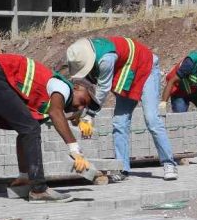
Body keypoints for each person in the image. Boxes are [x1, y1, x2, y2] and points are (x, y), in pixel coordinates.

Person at [0, 54, 99, 203]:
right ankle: (39, 190)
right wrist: (75, 149)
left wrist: (24, 176)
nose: (79, 107)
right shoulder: (63, 86)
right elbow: (56, 113)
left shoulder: (46, 98)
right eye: (82, 101)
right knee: (31, 128)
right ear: (76, 87)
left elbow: (24, 134)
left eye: (83, 107)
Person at [66, 37, 178, 181]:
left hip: (145, 67)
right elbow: (83, 88)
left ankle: (169, 163)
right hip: (127, 74)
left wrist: (89, 116)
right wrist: (77, 112)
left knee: (152, 119)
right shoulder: (81, 56)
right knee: (119, 122)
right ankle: (122, 168)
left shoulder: (105, 59)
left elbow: (103, 88)